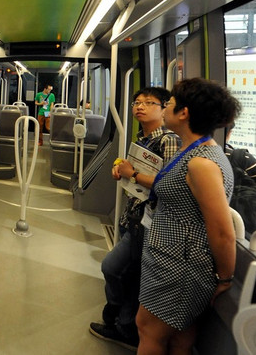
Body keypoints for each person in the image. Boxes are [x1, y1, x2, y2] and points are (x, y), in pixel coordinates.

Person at [136, 78, 239, 354]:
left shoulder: (202, 164)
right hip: (172, 257)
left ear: (184, 113)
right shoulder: (190, 150)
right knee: (180, 338)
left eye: (168, 104)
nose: (165, 108)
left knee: (148, 329)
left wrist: (226, 278)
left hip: (181, 265)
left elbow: (222, 231)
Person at [90, 87, 179, 351]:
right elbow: (135, 172)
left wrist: (134, 175)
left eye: (148, 103)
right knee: (115, 268)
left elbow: (170, 184)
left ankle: (124, 326)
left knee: (126, 272)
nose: (139, 107)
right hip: (137, 217)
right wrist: (122, 169)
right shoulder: (142, 138)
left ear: (164, 108)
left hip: (154, 221)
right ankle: (119, 316)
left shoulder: (168, 140)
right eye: (136, 102)